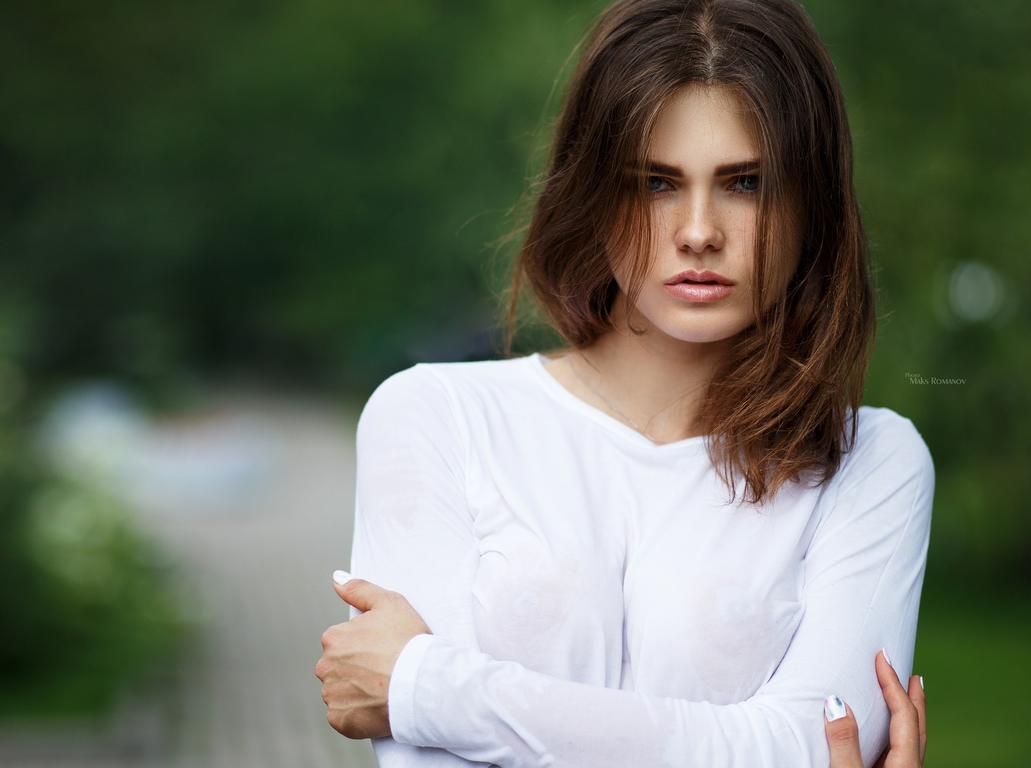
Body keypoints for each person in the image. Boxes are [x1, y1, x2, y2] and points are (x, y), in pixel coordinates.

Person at [315, 0, 935, 765]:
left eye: (745, 183)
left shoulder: (871, 462)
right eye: (655, 182)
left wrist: (427, 686)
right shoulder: (433, 418)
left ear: (814, 203)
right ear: (592, 191)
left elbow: (809, 744)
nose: (699, 229)